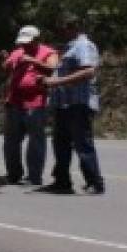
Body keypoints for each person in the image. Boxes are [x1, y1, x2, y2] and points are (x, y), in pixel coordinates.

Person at [42, 14, 104, 195]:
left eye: (62, 29)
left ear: (73, 28)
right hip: (64, 104)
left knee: (82, 143)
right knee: (60, 143)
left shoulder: (83, 46)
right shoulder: (69, 47)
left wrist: (57, 82)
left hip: (78, 102)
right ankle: (62, 181)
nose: (60, 33)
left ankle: (94, 182)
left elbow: (88, 72)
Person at [0, 25, 57, 186]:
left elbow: (52, 68)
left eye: (28, 42)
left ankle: (34, 175)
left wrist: (33, 60)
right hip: (14, 102)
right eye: (22, 43)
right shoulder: (18, 52)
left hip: (35, 102)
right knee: (11, 141)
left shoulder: (48, 52)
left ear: (37, 39)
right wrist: (4, 61)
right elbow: (5, 69)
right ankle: (14, 173)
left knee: (36, 141)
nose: (24, 45)